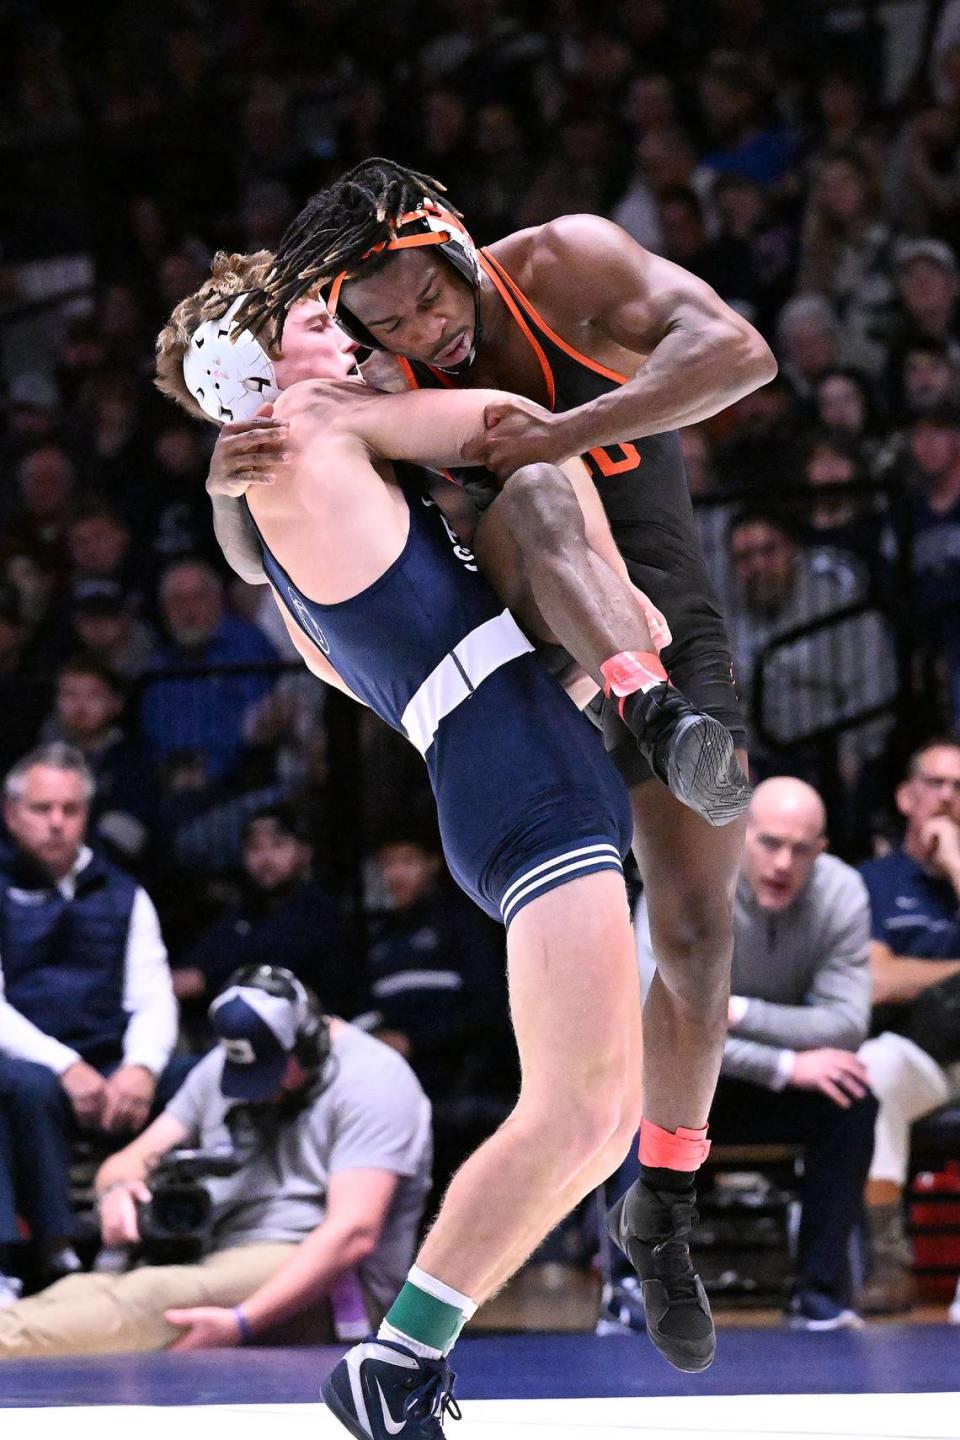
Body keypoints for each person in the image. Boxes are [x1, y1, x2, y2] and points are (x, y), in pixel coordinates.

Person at [210, 157, 779, 1372]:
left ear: (460, 252)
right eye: (385, 326)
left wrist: (570, 425)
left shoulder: (563, 263)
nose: (421, 335)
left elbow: (741, 355)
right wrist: (226, 481)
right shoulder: (370, 382)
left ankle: (661, 1206)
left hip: (657, 586)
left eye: (427, 304)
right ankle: (639, 691)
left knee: (696, 932)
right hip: (526, 642)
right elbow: (276, 543)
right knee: (528, 492)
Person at [157, 281, 674, 1433]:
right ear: (237, 367)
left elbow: (342, 658)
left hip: (490, 757)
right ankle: (393, 1362)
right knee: (576, 1110)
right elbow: (504, 424)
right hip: (519, 757)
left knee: (603, 1115)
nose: (343, 331)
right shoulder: (319, 426)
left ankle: (406, 1362)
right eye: (307, 322)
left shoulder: (273, 532)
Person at [0, 966, 432, 1356]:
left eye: (270, 1073)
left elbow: (352, 1233)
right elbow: (125, 1163)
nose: (257, 1090)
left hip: (326, 1272)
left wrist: (241, 1324)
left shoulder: (375, 1079)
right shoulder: (229, 1064)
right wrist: (117, 1194)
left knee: (155, 1296)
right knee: (85, 1287)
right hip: (222, 1252)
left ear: (309, 1043)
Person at [636, 777, 877, 1329]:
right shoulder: (683, 882)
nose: (783, 863)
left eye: (802, 849)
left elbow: (845, 1025)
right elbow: (656, 1028)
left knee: (853, 1099)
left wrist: (735, 1011)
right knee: (629, 1097)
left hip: (761, 1087)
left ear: (822, 850)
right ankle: (632, 1289)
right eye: (770, 843)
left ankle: (820, 1295)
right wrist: (786, 1065)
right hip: (682, 1082)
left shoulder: (843, 892)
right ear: (739, 834)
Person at [0, 743, 185, 1297]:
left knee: (200, 1077)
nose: (56, 823)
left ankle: (185, 1235)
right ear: (11, 814)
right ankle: (43, 1254)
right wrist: (64, 1065)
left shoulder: (126, 893)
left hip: (112, 1063)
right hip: (32, 1063)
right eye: (41, 809)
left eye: (70, 809)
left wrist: (142, 1069)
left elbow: (154, 997)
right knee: (20, 1088)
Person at [858, 739, 960, 1314]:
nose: (947, 797)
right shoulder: (874, 880)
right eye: (935, 783)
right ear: (905, 796)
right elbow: (878, 980)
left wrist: (955, 863)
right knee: (872, 1072)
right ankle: (890, 1261)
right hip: (920, 1052)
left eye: (959, 787)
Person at [360, 826, 514, 1202]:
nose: (395, 874)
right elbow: (363, 1009)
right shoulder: (378, 936)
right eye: (387, 864)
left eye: (407, 862)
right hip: (391, 1080)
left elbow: (489, 1007)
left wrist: (414, 1041)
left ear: (432, 864)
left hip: (458, 1079)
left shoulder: (462, 923)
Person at [172, 803, 355, 1029]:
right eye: (255, 848)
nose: (265, 859)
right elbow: (188, 971)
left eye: (278, 845)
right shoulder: (243, 914)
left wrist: (206, 978)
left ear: (306, 853)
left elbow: (270, 964)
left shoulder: (320, 912)